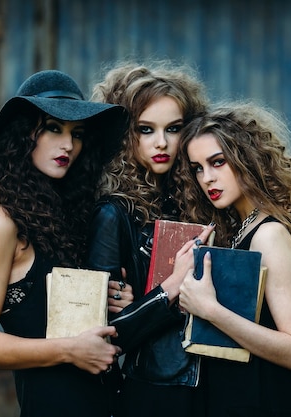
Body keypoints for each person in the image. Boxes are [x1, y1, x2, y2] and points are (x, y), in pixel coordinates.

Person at [0, 69, 129, 417]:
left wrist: (116, 298)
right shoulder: (0, 223)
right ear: (23, 136)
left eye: (77, 134)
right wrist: (69, 350)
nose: (68, 145)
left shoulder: (69, 218)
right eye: (53, 128)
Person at [176, 101, 291, 417]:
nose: (207, 178)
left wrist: (209, 310)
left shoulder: (267, 234)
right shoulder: (241, 228)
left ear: (246, 158)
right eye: (198, 168)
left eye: (218, 162)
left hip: (265, 399)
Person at [85, 61, 215, 417]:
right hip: (157, 389)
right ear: (126, 135)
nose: (162, 142)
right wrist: (170, 288)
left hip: (216, 380)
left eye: (174, 128)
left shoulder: (203, 199)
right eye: (146, 129)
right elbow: (105, 336)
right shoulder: (114, 214)